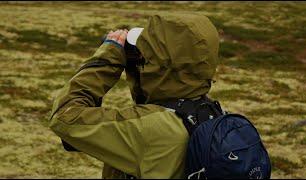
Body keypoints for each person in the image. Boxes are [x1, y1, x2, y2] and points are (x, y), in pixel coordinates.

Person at [49, 13, 219, 179]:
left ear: (160, 66)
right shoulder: (214, 115)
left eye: (147, 51)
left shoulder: (149, 128)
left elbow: (65, 117)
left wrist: (108, 59)